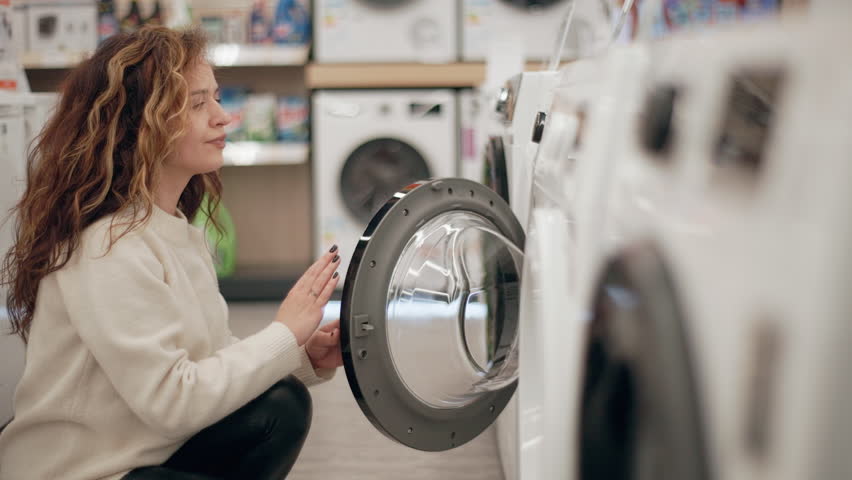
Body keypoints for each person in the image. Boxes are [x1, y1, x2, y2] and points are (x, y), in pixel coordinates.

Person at [0, 26, 343, 480]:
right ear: (139, 126)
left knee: (281, 406)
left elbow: (205, 362)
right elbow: (173, 404)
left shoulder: (174, 229)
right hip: (78, 471)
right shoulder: (108, 245)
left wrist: (300, 356)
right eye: (198, 104)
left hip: (137, 453)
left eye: (216, 99)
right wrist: (282, 332)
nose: (222, 117)